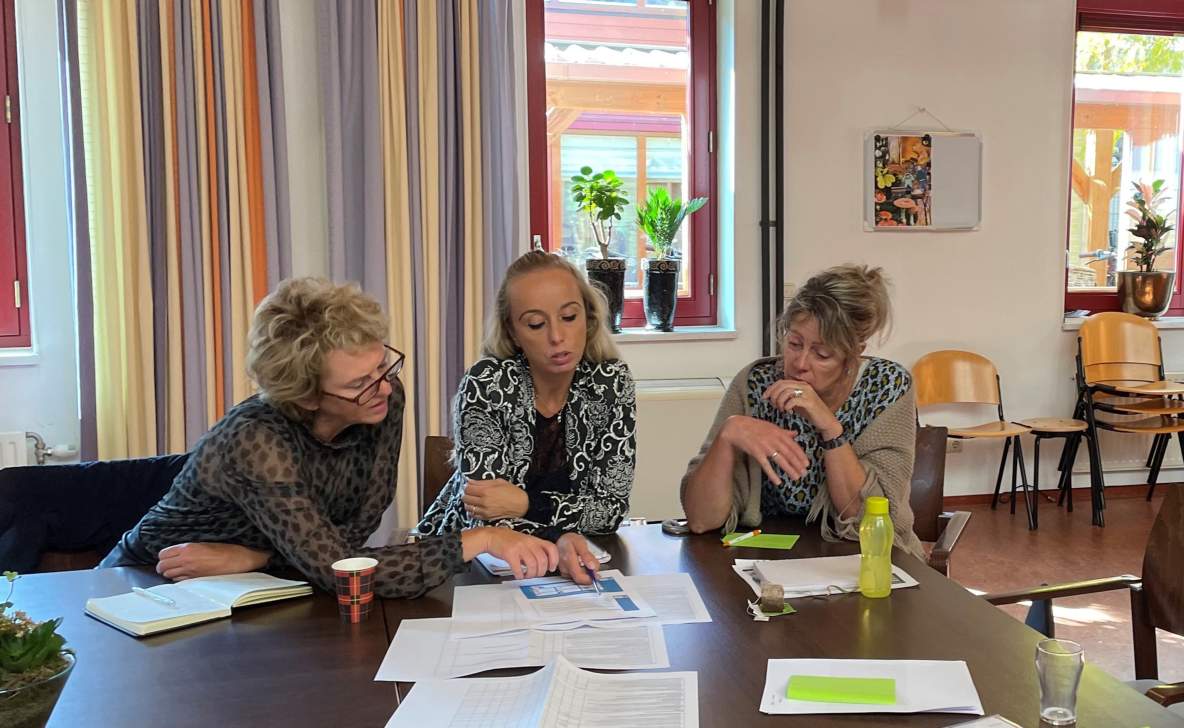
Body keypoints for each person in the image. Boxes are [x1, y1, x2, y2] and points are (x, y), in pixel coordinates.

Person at [100, 278, 561, 597]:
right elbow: (344, 572)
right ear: (305, 396)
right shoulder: (256, 441)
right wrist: (479, 539)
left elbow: (354, 534)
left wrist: (255, 557)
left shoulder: (384, 397)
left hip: (257, 587)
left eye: (382, 365)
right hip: (150, 583)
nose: (383, 386)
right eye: (360, 383)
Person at [417, 251, 637, 583]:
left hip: (573, 564)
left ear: (589, 319)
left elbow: (609, 511)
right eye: (536, 323)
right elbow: (486, 515)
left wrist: (524, 503)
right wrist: (558, 535)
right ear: (513, 331)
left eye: (569, 317)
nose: (556, 337)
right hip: (465, 571)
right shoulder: (487, 383)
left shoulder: (611, 383)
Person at [680, 264, 924, 558]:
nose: (800, 363)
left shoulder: (886, 387)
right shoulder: (756, 382)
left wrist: (830, 428)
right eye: (794, 343)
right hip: (767, 558)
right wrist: (728, 434)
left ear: (854, 353)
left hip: (861, 560)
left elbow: (869, 520)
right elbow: (701, 520)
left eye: (822, 354)